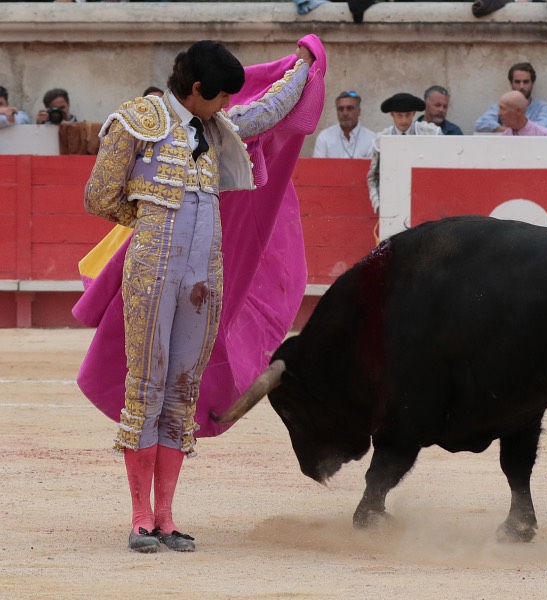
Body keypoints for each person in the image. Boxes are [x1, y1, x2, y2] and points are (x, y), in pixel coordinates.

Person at [79, 36, 324, 554]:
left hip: (202, 282)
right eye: (221, 96)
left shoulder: (216, 129)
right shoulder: (137, 121)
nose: (227, 106)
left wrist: (304, 65)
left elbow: (267, 111)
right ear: (196, 88)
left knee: (181, 393)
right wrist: (148, 218)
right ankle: (141, 517)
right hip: (151, 275)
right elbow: (98, 195)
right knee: (146, 388)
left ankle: (167, 517)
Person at [367, 92, 442, 211]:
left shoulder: (431, 133)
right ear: (392, 114)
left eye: (408, 115)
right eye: (399, 115)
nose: (404, 120)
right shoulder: (381, 139)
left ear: (414, 113)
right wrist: (379, 205)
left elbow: (440, 169)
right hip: (393, 200)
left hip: (425, 198)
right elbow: (373, 177)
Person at [474, 62, 547, 132]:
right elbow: (481, 123)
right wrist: (510, 131)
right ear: (511, 84)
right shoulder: (502, 106)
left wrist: (512, 131)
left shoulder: (542, 107)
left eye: (526, 82)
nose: (521, 86)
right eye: (517, 82)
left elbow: (543, 127)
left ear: (532, 84)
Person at [313, 90, 377, 158]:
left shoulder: (372, 139)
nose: (345, 113)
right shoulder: (324, 137)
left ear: (359, 111)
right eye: (340, 109)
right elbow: (317, 164)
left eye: (350, 108)